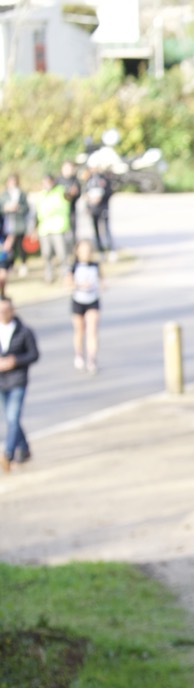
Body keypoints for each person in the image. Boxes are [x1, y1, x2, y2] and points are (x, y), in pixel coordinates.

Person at [0, 297, 40, 472]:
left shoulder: (24, 331)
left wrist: (15, 361)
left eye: (5, 310)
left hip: (18, 380)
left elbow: (34, 354)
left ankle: (8, 453)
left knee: (12, 417)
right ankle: (24, 448)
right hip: (1, 381)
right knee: (12, 418)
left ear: (12, 310)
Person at [66, 239, 104, 373]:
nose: (86, 253)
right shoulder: (74, 266)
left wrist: (101, 285)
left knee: (92, 330)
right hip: (78, 300)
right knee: (79, 330)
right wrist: (80, 285)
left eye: (88, 251)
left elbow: (102, 280)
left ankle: (92, 358)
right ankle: (79, 354)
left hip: (92, 300)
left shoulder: (95, 265)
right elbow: (68, 283)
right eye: (83, 251)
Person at [34, 174, 72, 283]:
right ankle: (49, 275)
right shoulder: (41, 194)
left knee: (62, 254)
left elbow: (68, 197)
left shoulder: (60, 191)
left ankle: (65, 274)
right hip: (45, 229)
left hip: (58, 227)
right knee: (46, 254)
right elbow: (38, 213)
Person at [83, 167, 115, 261]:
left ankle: (111, 250)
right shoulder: (88, 179)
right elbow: (85, 193)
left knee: (106, 230)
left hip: (103, 208)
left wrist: (101, 198)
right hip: (93, 209)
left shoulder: (104, 178)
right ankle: (101, 251)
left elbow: (109, 192)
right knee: (96, 231)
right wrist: (88, 204)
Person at [2, 174, 30, 279]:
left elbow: (26, 208)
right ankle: (10, 265)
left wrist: (18, 208)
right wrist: (6, 208)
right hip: (8, 225)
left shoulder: (21, 194)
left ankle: (23, 264)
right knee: (9, 247)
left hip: (20, 224)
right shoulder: (4, 194)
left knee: (21, 246)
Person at [59, 160, 82, 242]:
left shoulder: (75, 180)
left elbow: (79, 194)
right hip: (60, 212)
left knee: (73, 232)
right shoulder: (58, 180)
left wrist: (74, 193)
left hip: (71, 210)